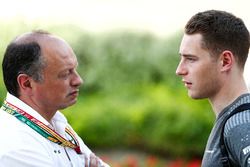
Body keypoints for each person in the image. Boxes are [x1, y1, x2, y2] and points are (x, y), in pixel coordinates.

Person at [0, 30, 109, 167]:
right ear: (27, 83)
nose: (78, 80)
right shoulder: (17, 145)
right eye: (65, 74)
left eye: (74, 69)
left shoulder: (55, 122)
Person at [176, 10, 250, 166]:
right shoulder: (231, 121)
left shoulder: (241, 125)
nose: (179, 70)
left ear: (225, 61)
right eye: (181, 58)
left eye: (190, 59)